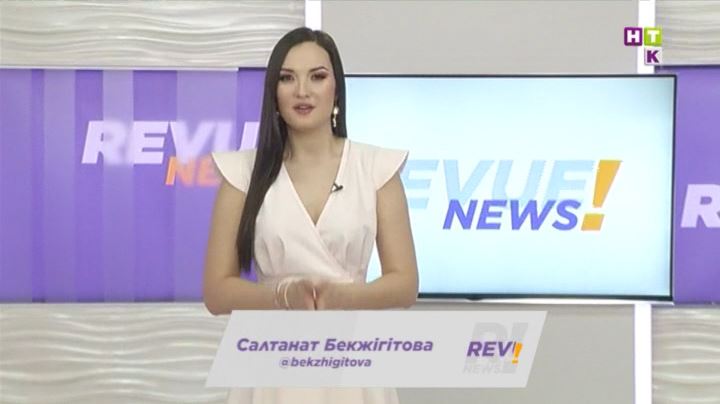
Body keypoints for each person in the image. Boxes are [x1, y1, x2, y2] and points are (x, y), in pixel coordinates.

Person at [203, 27, 418, 404]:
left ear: (336, 89)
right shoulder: (242, 173)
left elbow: (405, 283)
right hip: (270, 362)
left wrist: (345, 297)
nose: (302, 91)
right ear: (273, 93)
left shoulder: (376, 168)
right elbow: (217, 293)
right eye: (288, 78)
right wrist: (283, 295)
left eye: (317, 77)